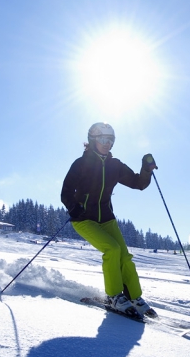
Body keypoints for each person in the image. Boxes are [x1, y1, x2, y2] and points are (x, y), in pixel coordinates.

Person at [61, 122, 158, 317]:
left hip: (106, 218)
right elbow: (66, 191)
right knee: (111, 249)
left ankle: (134, 297)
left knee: (125, 257)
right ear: (93, 140)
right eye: (103, 140)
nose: (107, 144)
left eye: (111, 140)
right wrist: (73, 207)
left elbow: (138, 183)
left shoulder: (115, 166)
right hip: (83, 219)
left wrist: (146, 169)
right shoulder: (81, 164)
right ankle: (114, 296)